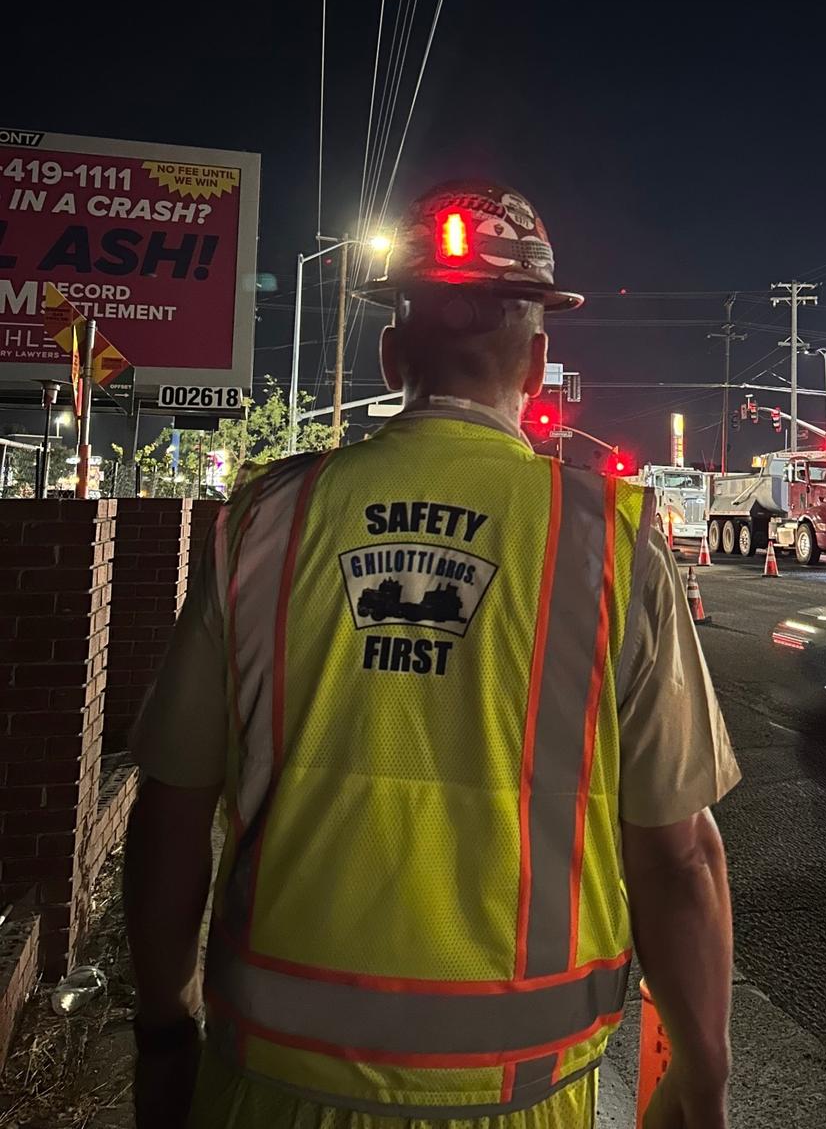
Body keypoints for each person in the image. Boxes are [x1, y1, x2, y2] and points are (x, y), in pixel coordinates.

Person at [124, 179, 740, 1129]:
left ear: (390, 350)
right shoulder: (609, 540)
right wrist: (703, 1078)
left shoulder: (263, 521)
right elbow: (679, 859)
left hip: (266, 1091)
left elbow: (170, 803)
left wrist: (164, 1025)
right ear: (537, 362)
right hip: (519, 1097)